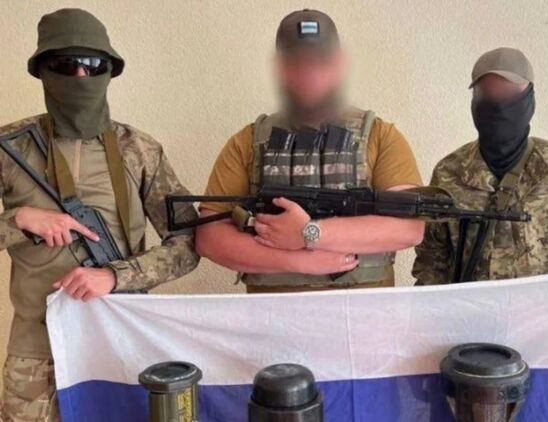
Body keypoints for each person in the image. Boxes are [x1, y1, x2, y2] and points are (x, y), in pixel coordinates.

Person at [0, 9, 200, 420]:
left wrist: (115, 276)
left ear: (109, 71)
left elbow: (189, 242)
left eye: (92, 65)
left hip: (122, 338)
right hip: (36, 352)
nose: (80, 76)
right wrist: (19, 221)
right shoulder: (11, 147)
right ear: (42, 71)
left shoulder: (139, 150)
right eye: (64, 64)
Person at [196, 9, 423, 293]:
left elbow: (409, 228)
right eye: (297, 61)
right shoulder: (247, 142)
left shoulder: (380, 136)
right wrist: (299, 260)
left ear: (339, 65)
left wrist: (309, 233)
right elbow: (209, 236)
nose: (310, 72)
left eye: (321, 60)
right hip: (273, 314)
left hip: (365, 313)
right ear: (280, 68)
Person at [412, 47, 548, 284]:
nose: (499, 106)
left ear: (529, 98)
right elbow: (432, 265)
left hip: (543, 308)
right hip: (470, 309)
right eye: (487, 94)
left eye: (509, 94)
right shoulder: (450, 172)